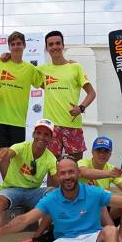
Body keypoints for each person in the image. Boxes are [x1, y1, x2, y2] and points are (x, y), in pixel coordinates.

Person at [0, 119, 58, 242]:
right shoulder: (22, 146)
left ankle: (38, 234)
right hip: (12, 189)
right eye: (39, 133)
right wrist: (1, 154)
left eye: (46, 135)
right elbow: (8, 151)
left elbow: (56, 179)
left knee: (54, 194)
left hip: (33, 191)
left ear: (50, 138)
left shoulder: (51, 158)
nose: (41, 137)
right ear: (33, 134)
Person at [37, 30, 96, 161]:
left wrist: (81, 108)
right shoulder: (41, 70)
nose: (54, 47)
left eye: (58, 43)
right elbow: (22, 69)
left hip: (72, 125)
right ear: (46, 48)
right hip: (51, 127)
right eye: (50, 44)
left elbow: (92, 93)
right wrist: (7, 56)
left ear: (63, 45)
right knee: (52, 167)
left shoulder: (75, 67)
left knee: (75, 166)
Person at [0, 31, 43, 151]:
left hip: (18, 121)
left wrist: (66, 65)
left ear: (24, 45)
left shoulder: (30, 69)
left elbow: (46, 85)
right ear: (9, 47)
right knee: (2, 155)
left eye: (19, 43)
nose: (16, 46)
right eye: (13, 44)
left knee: (16, 157)